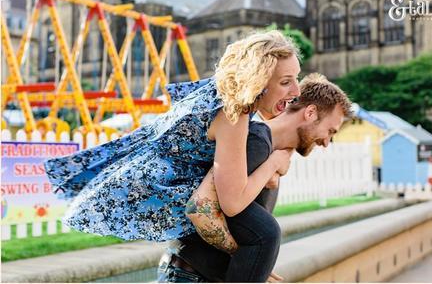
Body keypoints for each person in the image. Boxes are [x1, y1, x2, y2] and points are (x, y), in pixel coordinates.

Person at [44, 30, 300, 243]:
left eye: (296, 79)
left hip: (142, 178)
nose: (297, 90)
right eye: (286, 81)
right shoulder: (233, 113)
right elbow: (232, 202)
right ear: (259, 81)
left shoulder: (220, 90)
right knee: (264, 233)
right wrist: (274, 164)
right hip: (157, 187)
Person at [158, 73, 353, 282]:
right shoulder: (256, 141)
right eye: (330, 131)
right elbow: (200, 209)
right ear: (311, 113)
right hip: (191, 276)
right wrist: (251, 256)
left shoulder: (270, 147)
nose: (327, 142)